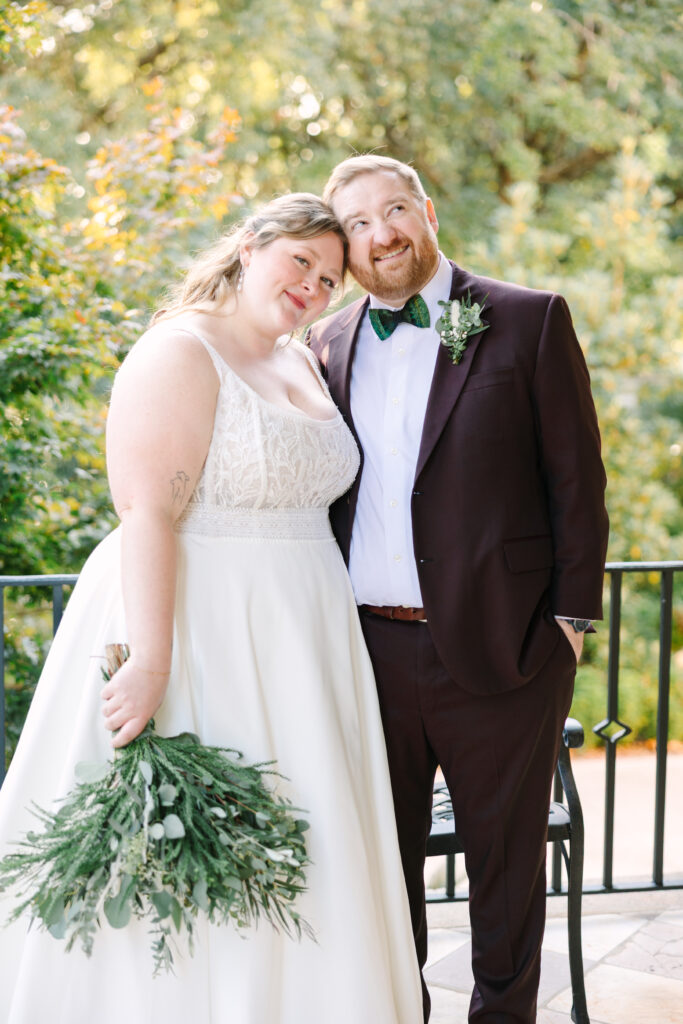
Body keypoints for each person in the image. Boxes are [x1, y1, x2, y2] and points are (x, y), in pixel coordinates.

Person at [0, 192, 423, 1024]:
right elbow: (147, 515)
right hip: (201, 633)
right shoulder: (179, 351)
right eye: (299, 261)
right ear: (251, 245)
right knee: (192, 863)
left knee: (311, 846)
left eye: (330, 278)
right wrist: (151, 662)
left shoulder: (301, 359)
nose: (312, 285)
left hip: (307, 642)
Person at [307, 155, 609, 1024]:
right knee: (379, 866)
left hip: (506, 649)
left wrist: (568, 626)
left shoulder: (526, 320)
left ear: (427, 211)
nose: (382, 234)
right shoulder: (325, 343)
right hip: (366, 650)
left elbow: (576, 485)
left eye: (394, 210)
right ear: (345, 247)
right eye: (358, 224)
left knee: (505, 871)